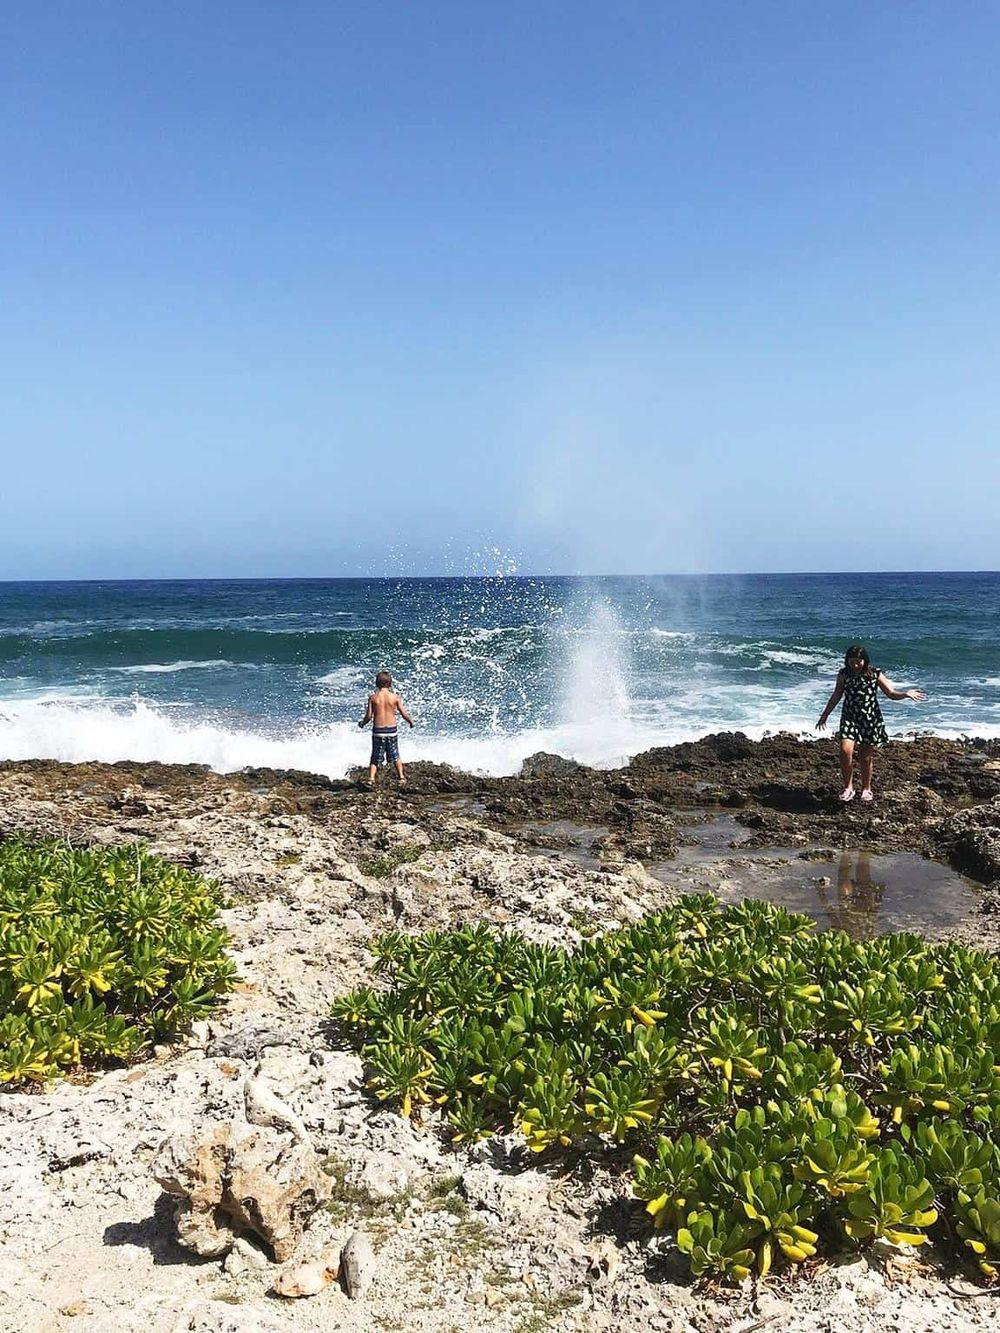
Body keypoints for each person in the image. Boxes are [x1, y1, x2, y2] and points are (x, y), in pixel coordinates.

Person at [815, 644, 925, 803]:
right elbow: (837, 695)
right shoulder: (844, 674)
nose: (855, 665)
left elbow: (891, 693)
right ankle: (848, 788)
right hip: (849, 717)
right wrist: (825, 715)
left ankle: (866, 789)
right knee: (845, 751)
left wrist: (906, 694)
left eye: (858, 661)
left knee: (865, 757)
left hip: (870, 718)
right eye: (852, 661)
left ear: (864, 660)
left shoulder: (875, 674)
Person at [358, 670, 414, 788]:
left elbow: (369, 716)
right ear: (390, 683)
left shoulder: (373, 697)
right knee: (395, 755)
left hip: (378, 731)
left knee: (375, 756)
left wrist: (362, 723)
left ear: (376, 683)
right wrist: (410, 722)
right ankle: (401, 777)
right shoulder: (395, 697)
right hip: (392, 731)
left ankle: (371, 779)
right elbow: (404, 713)